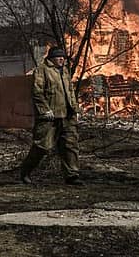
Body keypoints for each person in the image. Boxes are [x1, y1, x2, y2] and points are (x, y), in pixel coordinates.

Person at [19, 46, 81, 185]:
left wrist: (75, 110)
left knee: (70, 146)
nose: (62, 59)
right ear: (51, 58)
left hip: (67, 115)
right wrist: (44, 110)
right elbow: (37, 92)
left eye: (63, 57)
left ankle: (72, 176)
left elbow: (70, 92)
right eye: (59, 57)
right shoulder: (42, 70)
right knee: (42, 146)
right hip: (49, 116)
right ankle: (25, 171)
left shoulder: (65, 71)